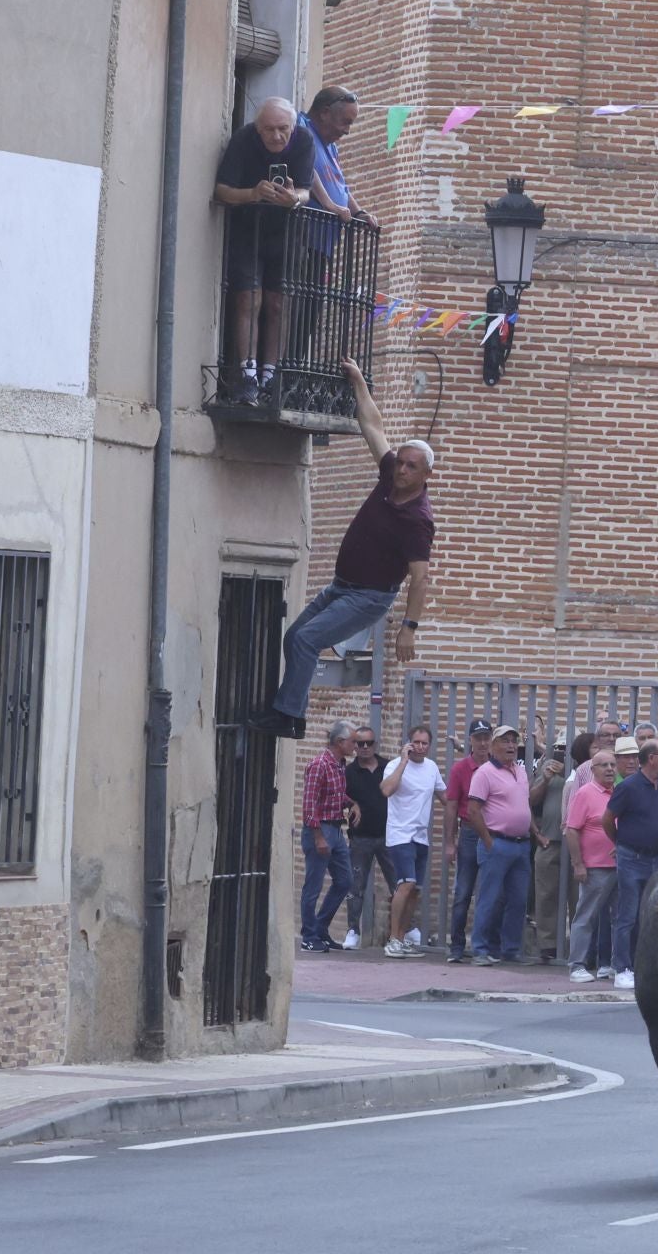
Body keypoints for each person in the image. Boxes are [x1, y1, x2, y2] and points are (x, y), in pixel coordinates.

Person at [250, 363, 433, 739]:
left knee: (305, 640)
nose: (401, 470)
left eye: (410, 467)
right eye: (400, 462)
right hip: (341, 586)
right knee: (294, 638)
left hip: (367, 599)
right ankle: (291, 711)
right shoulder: (388, 476)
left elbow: (420, 578)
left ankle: (289, 717)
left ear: (425, 475)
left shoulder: (417, 519)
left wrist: (408, 629)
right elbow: (374, 427)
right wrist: (360, 384)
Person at [212, 97, 314, 403]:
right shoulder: (243, 140)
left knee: (278, 302)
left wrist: (291, 198)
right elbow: (221, 190)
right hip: (247, 230)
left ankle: (270, 375)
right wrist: (253, 193)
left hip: (286, 234)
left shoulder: (304, 141)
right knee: (248, 298)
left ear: (293, 128)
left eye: (283, 129)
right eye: (269, 130)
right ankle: (247, 374)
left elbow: (306, 191)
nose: (277, 136)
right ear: (258, 129)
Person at [603, 739, 658, 991]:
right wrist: (620, 843)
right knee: (627, 916)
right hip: (632, 858)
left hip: (656, 859)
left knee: (649, 915)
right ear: (652, 758)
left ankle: (642, 965)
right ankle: (622, 967)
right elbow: (608, 819)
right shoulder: (629, 787)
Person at [463, 725, 533, 965]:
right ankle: (480, 950)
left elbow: (524, 806)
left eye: (514, 741)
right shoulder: (484, 773)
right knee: (489, 898)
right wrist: (488, 840)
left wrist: (535, 833)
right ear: (493, 746)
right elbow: (473, 810)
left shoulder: (521, 771)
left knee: (518, 900)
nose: (511, 746)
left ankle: (510, 950)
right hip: (497, 843)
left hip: (521, 845)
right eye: (505, 741)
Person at [380, 726, 443, 958]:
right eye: (416, 742)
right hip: (400, 835)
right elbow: (386, 790)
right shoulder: (394, 765)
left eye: (424, 743)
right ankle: (393, 939)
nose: (420, 747)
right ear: (408, 743)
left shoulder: (432, 768)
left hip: (420, 837)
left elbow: (444, 796)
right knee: (404, 885)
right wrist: (403, 762)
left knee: (414, 890)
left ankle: (403, 937)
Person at [564, 742, 622, 982]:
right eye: (604, 765)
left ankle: (611, 965)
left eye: (612, 765)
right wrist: (578, 864)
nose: (609, 769)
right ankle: (576, 965)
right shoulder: (585, 793)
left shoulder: (619, 791)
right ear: (593, 769)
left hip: (619, 866)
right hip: (594, 867)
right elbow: (572, 830)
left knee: (619, 918)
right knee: (586, 917)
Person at [299, 721, 357, 953]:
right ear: (340, 742)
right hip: (320, 829)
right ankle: (308, 935)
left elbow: (335, 796)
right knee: (313, 885)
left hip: (336, 828)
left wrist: (353, 804)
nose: (356, 745)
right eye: (352, 741)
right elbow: (309, 803)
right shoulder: (319, 765)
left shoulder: (340, 765)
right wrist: (318, 836)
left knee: (345, 880)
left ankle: (320, 927)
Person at [442, 720, 492, 961]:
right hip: (470, 833)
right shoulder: (460, 769)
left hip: (494, 832)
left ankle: (488, 945)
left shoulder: (499, 766)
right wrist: (450, 842)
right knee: (463, 891)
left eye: (486, 737)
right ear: (470, 740)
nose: (483, 743)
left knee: (491, 891)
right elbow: (451, 806)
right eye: (478, 738)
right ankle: (457, 946)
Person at [341, 724, 392, 950]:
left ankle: (406, 930)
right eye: (359, 744)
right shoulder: (348, 772)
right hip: (360, 837)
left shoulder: (388, 767)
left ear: (375, 745)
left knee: (398, 883)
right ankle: (353, 930)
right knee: (355, 886)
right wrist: (351, 805)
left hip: (388, 836)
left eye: (368, 743)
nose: (363, 748)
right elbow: (339, 797)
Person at [527, 732, 573, 963]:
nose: (563, 753)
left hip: (577, 844)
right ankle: (548, 946)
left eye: (568, 748)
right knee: (546, 895)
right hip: (550, 840)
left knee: (578, 897)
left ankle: (577, 945)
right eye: (560, 748)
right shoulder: (547, 767)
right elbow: (530, 801)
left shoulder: (584, 769)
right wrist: (544, 779)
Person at [299, 85, 371, 224]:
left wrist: (358, 213)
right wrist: (329, 205)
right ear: (325, 113)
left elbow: (341, 186)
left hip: (321, 243)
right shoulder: (301, 127)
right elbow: (304, 168)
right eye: (345, 122)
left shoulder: (331, 146)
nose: (347, 131)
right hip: (301, 237)